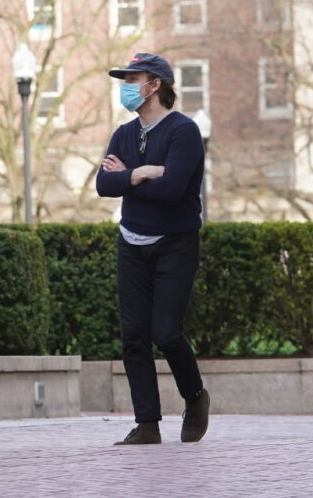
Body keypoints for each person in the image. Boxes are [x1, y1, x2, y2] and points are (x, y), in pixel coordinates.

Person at [96, 53, 210, 445]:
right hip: (131, 242)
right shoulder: (124, 134)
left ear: (155, 84)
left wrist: (125, 178)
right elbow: (102, 185)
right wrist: (142, 172)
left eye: (133, 78)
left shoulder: (183, 131)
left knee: (166, 331)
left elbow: (174, 188)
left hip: (175, 243)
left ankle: (195, 398)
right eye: (123, 79)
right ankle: (147, 424)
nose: (126, 86)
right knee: (133, 337)